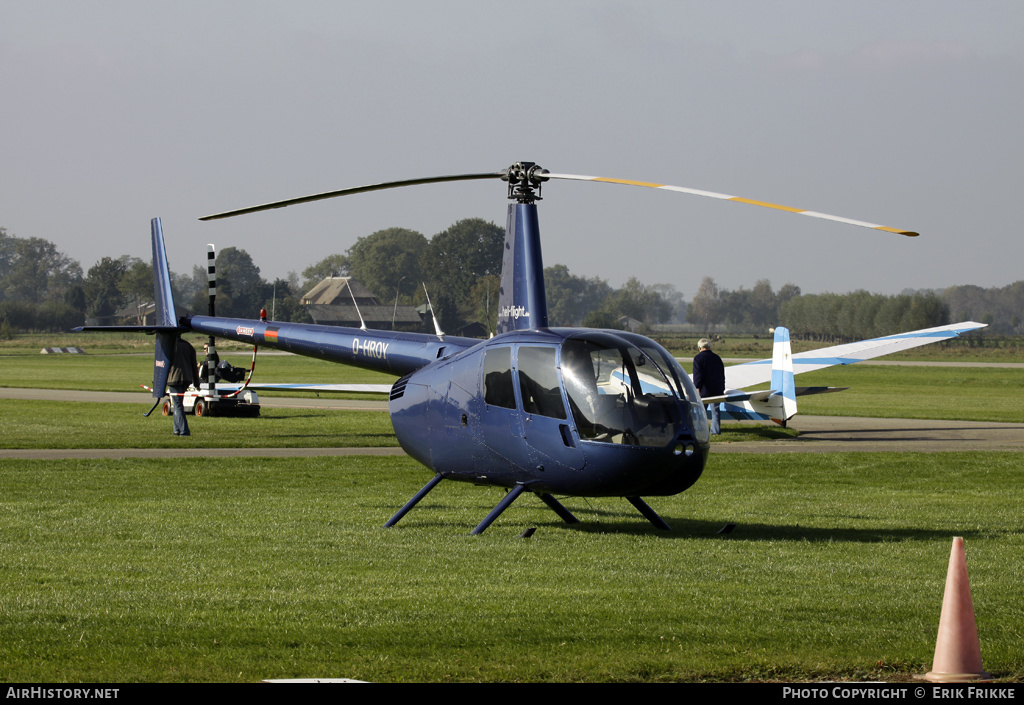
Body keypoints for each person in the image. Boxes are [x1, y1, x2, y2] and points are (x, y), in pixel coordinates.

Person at [693, 338, 725, 435]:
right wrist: (722, 387)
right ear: (709, 346)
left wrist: (697, 388)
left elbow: (698, 375)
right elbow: (721, 374)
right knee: (715, 411)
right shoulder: (717, 357)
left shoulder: (698, 358)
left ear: (699, 348)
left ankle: (701, 429)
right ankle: (715, 431)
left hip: (704, 390)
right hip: (717, 389)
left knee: (701, 411)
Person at [167, 338, 198, 437]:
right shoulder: (188, 346)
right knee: (177, 404)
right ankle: (176, 429)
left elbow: (164, 365)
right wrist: (196, 382)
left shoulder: (169, 346)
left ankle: (184, 431)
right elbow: (194, 365)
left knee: (177, 405)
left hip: (174, 379)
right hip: (187, 378)